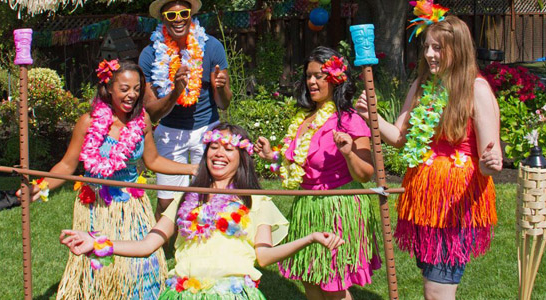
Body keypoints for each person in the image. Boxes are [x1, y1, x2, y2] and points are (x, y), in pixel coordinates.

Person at [58, 124, 345, 299]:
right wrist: (98, 243)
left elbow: (265, 256)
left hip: (233, 294)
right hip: (184, 293)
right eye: (214, 147)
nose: (219, 153)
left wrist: (309, 238)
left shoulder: (255, 201)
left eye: (228, 149)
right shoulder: (186, 199)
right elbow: (148, 245)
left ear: (241, 157)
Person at [358, 3, 502, 298]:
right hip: (424, 203)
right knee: (432, 285)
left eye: (438, 48)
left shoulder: (476, 90)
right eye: (427, 46)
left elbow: (489, 162)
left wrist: (492, 161)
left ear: (457, 49)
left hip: (455, 206)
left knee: (437, 291)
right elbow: (399, 136)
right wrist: (371, 113)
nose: (429, 54)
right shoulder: (423, 85)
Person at [21, 60, 198, 300]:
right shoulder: (89, 122)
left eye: (136, 89)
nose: (132, 95)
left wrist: (191, 168)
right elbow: (66, 165)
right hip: (96, 208)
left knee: (137, 267)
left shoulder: (142, 120)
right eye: (125, 89)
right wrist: (39, 187)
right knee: (100, 268)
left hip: (132, 207)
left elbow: (153, 160)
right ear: (109, 87)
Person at [253, 46, 379, 299]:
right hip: (307, 206)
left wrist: (349, 153)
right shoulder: (303, 118)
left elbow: (366, 174)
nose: (311, 81)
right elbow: (302, 165)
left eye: (319, 75)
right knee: (310, 278)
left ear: (334, 79)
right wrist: (273, 157)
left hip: (338, 209)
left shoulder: (350, 120)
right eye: (308, 75)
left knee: (332, 285)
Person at [140, 0, 235, 218]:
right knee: (167, 202)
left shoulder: (211, 46)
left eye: (183, 13)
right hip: (169, 131)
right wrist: (175, 92)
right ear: (163, 18)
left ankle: (207, 244)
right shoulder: (150, 53)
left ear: (190, 14)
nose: (178, 19)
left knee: (211, 196)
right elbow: (152, 114)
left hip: (207, 128)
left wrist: (220, 88)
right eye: (171, 15)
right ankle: (163, 249)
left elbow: (224, 103)